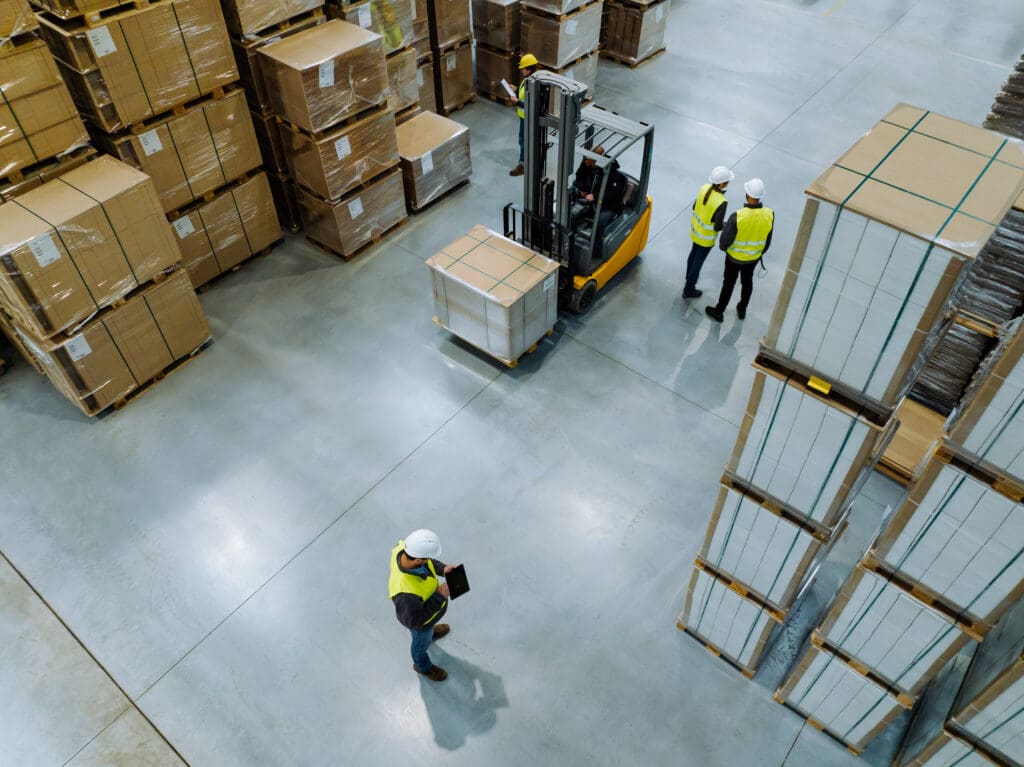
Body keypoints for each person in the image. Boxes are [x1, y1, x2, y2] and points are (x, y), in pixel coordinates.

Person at [388, 528, 459, 682]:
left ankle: (431, 632)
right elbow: (415, 621)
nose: (429, 560)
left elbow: (430, 563)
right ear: (418, 560)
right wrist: (440, 596)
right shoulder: (405, 593)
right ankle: (422, 666)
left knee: (428, 631)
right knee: (420, 645)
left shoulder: (404, 550)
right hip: (422, 626)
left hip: (428, 617)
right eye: (427, 558)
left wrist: (443, 569)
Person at [705, 178, 774, 322]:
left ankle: (719, 311)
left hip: (733, 259)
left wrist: (724, 248)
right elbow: (768, 240)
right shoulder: (769, 215)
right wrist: (758, 253)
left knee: (728, 284)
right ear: (760, 196)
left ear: (747, 195)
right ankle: (742, 308)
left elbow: (725, 240)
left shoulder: (738, 216)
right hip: (753, 259)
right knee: (747, 282)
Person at [683, 166, 734, 299]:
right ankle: (689, 289)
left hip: (695, 231)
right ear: (722, 184)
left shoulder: (704, 188)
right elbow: (717, 226)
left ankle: (688, 278)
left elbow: (695, 206)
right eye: (727, 181)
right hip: (706, 239)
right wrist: (727, 224)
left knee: (693, 255)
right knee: (698, 262)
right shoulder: (721, 202)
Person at [507, 53, 538, 177]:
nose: (521, 70)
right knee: (524, 141)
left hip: (528, 118)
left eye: (523, 68)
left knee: (524, 141)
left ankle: (524, 165)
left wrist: (517, 102)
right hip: (524, 117)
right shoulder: (529, 79)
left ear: (528, 68)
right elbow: (524, 93)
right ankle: (525, 163)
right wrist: (514, 89)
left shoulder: (533, 84)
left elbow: (532, 105)